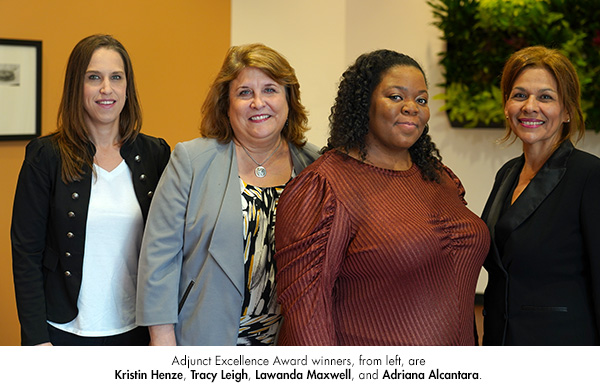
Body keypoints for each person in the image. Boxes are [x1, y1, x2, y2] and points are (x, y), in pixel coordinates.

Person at [274, 49, 490, 345]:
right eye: (396, 96)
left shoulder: (440, 177)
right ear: (364, 104)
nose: (412, 107)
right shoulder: (325, 186)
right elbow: (306, 315)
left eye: (421, 99)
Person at [136, 43, 320, 346]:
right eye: (244, 92)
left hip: (289, 338)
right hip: (208, 336)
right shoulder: (191, 161)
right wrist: (162, 341)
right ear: (226, 103)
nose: (258, 103)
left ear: (289, 98)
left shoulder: (315, 165)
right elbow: (159, 259)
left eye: (270, 90)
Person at [11, 34, 171, 346]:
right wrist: (36, 341)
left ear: (128, 87)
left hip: (137, 331)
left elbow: (170, 250)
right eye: (93, 77)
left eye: (116, 77)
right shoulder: (46, 156)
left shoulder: (156, 154)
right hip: (64, 333)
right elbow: (26, 254)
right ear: (76, 86)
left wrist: (163, 332)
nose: (106, 89)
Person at [481, 46, 600, 345]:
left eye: (545, 97)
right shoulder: (507, 173)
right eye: (519, 95)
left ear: (568, 111)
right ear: (506, 105)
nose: (529, 106)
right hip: (501, 343)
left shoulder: (589, 175)